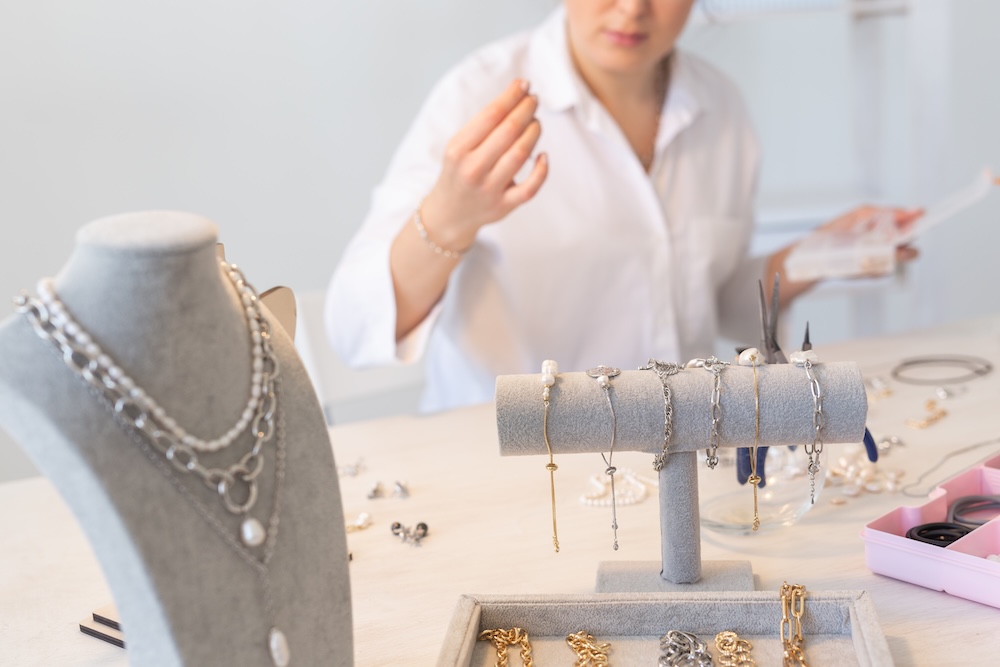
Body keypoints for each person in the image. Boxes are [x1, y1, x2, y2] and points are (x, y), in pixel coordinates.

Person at [325, 0, 918, 413]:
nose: (633, 8)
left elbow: (706, 305)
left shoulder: (721, 108)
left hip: (681, 453)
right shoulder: (477, 96)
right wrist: (449, 217)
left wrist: (811, 257)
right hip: (524, 465)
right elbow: (353, 328)